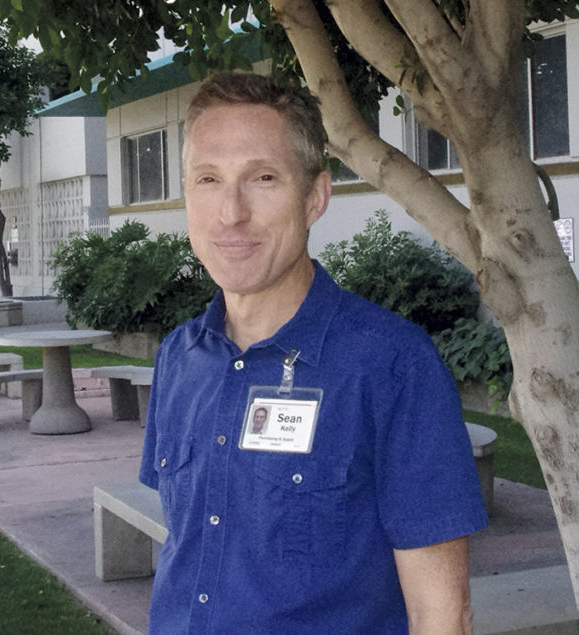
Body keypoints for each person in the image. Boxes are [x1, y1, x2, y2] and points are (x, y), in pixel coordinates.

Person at [139, 71, 487, 634]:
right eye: (208, 179)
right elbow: (188, 550)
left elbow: (442, 615)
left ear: (315, 196)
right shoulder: (180, 358)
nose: (231, 212)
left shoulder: (392, 365)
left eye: (264, 177)